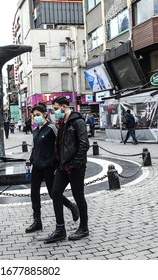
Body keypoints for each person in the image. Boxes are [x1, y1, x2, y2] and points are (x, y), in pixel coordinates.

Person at [26, 102, 79, 233]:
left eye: (38, 115)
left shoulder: (52, 128)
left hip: (49, 167)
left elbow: (59, 146)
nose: (35, 118)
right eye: (34, 116)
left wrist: (58, 164)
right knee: (34, 194)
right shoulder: (35, 130)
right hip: (37, 166)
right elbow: (34, 147)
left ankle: (72, 207)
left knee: (53, 193)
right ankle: (37, 221)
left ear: (45, 115)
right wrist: (30, 160)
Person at [43, 96, 90, 243]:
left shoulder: (78, 122)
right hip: (63, 167)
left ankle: (84, 228)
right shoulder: (62, 123)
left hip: (75, 167)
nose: (55, 112)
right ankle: (60, 229)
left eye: (56, 109)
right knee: (55, 193)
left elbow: (84, 144)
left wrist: (75, 164)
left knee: (79, 196)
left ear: (64, 107)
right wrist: (58, 165)